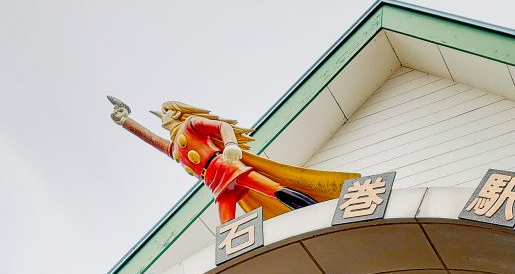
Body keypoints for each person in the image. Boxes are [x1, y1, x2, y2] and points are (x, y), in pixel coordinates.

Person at [109, 98, 359, 223]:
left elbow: (220, 127)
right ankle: (234, 255)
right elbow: (151, 138)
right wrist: (124, 122)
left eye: (164, 112)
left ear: (175, 112)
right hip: (215, 183)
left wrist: (230, 145)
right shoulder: (175, 147)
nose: (161, 117)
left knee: (275, 190)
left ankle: (318, 209)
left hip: (227, 166)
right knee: (227, 222)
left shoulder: (190, 124)